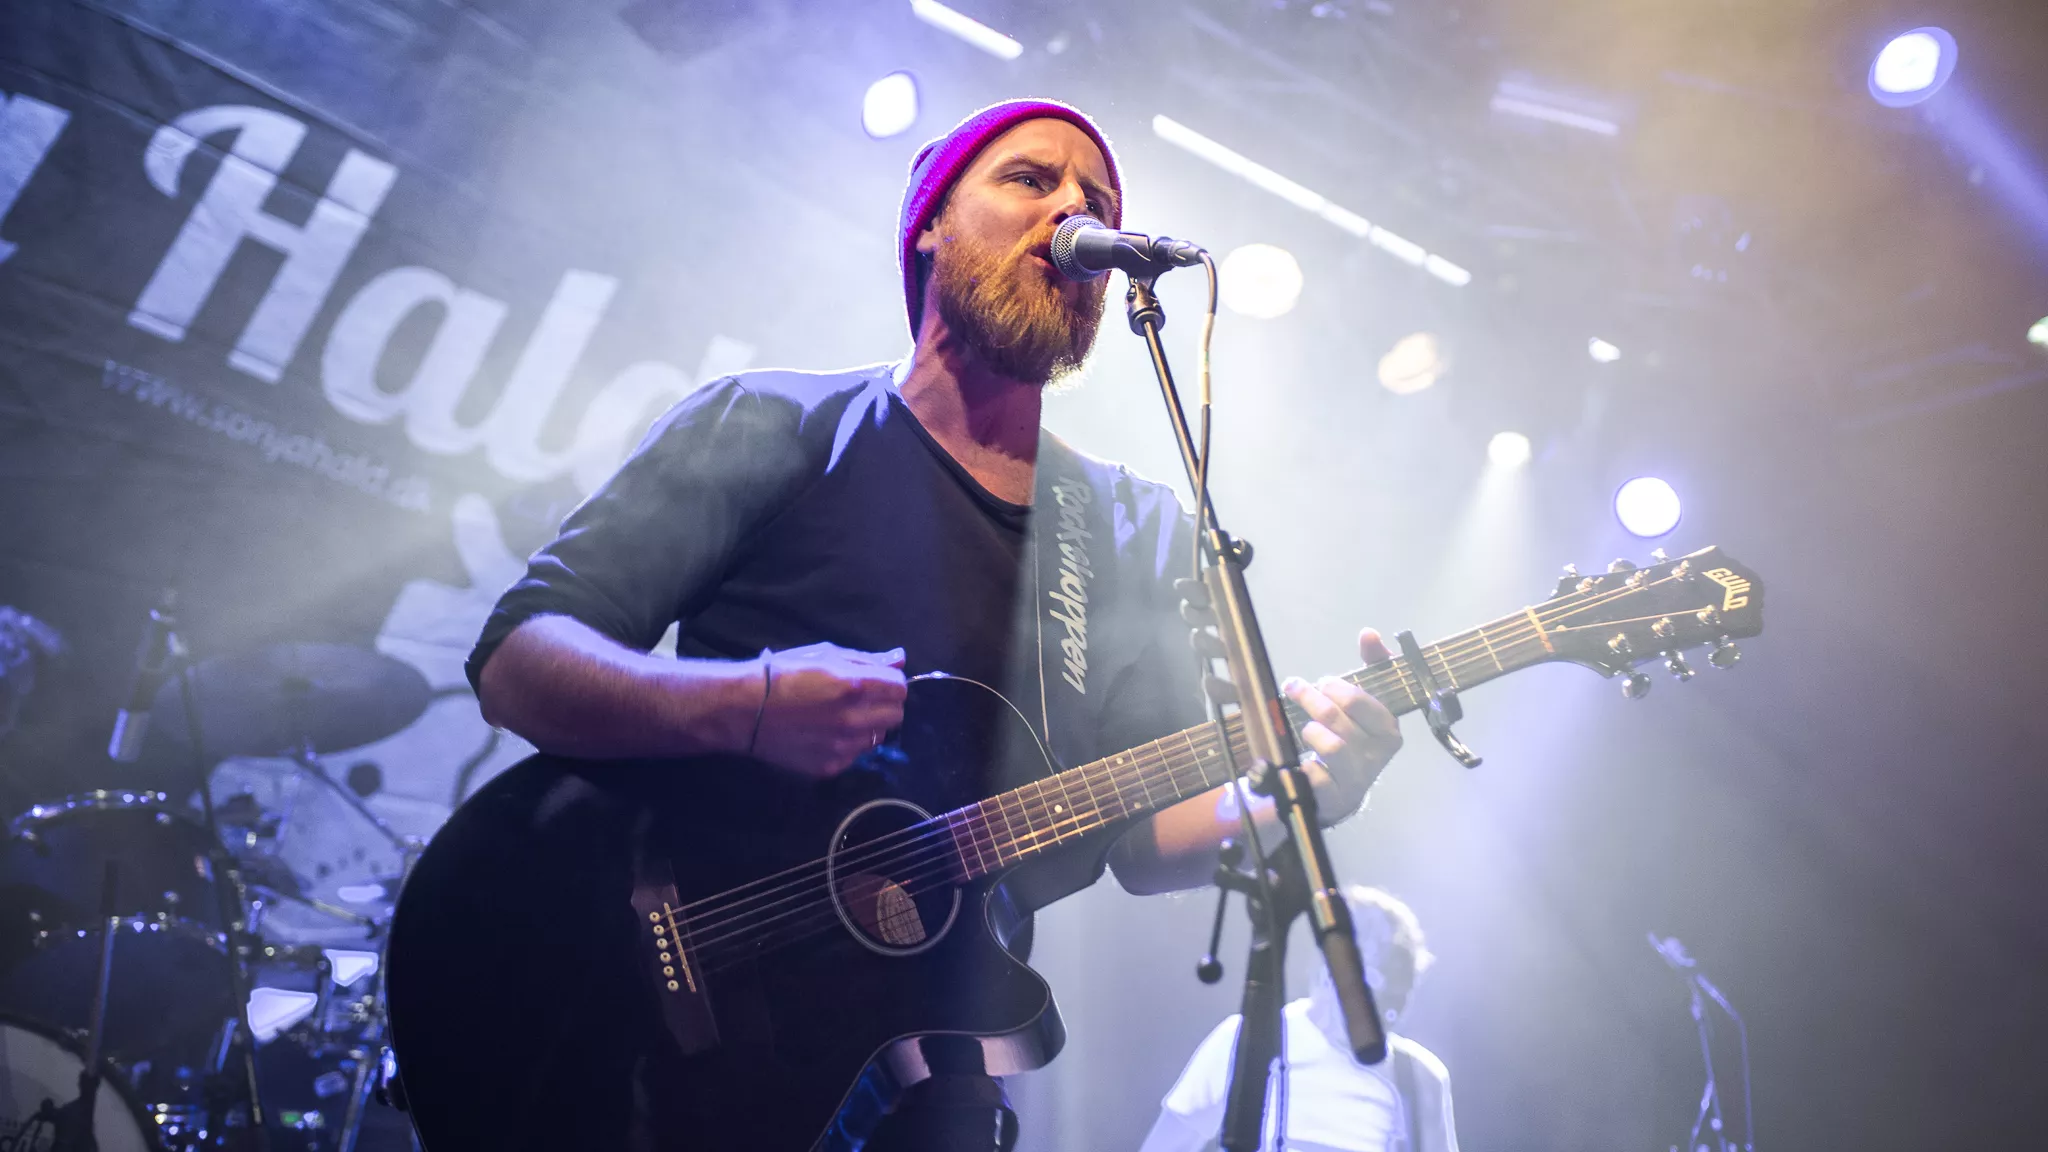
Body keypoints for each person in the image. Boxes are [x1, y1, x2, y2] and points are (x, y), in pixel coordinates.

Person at [465, 98, 1405, 1151]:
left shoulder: (1135, 530)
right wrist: (746, 704)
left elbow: (1145, 839)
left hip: (922, 1061)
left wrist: (1302, 790)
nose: (1074, 213)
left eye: (1097, 202)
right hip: (647, 1002)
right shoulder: (774, 427)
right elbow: (517, 663)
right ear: (930, 226)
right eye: (1029, 179)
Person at [1137, 886, 1459, 1152]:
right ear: (1330, 972)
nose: (1384, 1018)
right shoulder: (1246, 1040)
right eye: (1373, 993)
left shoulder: (1419, 1076)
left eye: (1394, 1005)